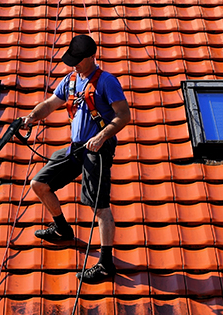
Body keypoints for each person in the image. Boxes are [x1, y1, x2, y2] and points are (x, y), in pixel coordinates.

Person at [22, 34, 131, 283]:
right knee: (39, 184)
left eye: (78, 60)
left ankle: (105, 264)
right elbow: (50, 104)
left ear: (92, 56)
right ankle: (61, 228)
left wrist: (102, 136)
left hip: (98, 151)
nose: (74, 64)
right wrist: (31, 117)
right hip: (76, 148)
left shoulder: (107, 82)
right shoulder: (70, 80)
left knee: (99, 207)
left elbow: (123, 115)